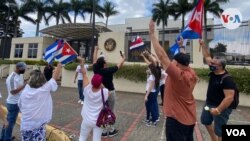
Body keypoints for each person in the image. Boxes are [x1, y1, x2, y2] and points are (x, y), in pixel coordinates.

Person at [149, 20, 198, 141]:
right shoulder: (191, 72)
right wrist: (181, 46)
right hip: (189, 120)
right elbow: (183, 59)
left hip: (177, 121)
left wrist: (151, 34)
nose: (172, 63)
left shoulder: (179, 76)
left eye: (174, 61)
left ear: (179, 65)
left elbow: (162, 56)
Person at [200, 40, 236, 141]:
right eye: (211, 63)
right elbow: (207, 57)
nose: (210, 64)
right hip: (209, 103)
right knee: (205, 121)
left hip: (222, 107)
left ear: (220, 66)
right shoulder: (214, 70)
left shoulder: (227, 79)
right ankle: (213, 139)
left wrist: (218, 110)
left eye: (214, 64)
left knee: (220, 130)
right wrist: (203, 45)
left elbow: (229, 98)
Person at [17, 63, 62, 140]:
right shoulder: (44, 89)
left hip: (25, 126)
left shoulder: (25, 91)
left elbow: (20, 105)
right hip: (38, 128)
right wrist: (60, 65)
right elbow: (54, 77)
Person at [92, 46, 125, 138]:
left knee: (102, 111)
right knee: (111, 111)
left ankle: (102, 131)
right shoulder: (108, 71)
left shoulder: (96, 69)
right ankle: (111, 130)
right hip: (110, 93)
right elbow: (119, 65)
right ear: (104, 64)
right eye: (105, 61)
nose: (107, 61)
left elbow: (94, 60)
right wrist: (123, 58)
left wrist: (95, 50)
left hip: (100, 93)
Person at [79, 70, 109, 141]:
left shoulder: (86, 90)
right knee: (97, 139)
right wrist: (100, 84)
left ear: (92, 82)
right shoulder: (104, 92)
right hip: (99, 121)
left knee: (82, 137)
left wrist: (82, 66)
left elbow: (84, 76)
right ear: (100, 83)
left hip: (86, 120)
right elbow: (104, 88)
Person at [1, 62, 27, 141]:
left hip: (17, 102)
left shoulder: (19, 75)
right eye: (23, 69)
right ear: (18, 68)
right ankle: (7, 139)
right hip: (13, 103)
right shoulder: (12, 78)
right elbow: (12, 91)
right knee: (10, 123)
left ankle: (3, 137)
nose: (24, 70)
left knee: (8, 121)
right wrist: (24, 85)